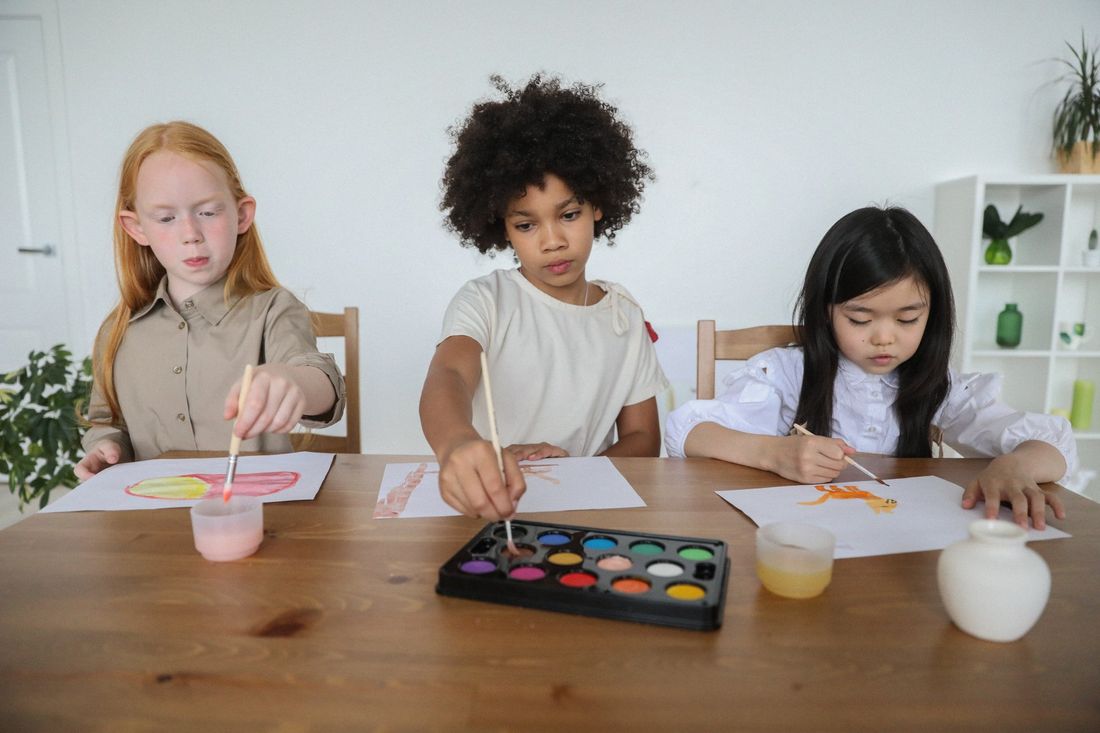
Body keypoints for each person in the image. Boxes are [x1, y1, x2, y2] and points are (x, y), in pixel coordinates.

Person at [665, 206, 1076, 529]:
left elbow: (1053, 446)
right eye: (860, 320)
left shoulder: (938, 387)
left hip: (903, 550)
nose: (884, 338)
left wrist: (1013, 466)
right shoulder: (786, 373)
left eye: (907, 319)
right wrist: (775, 454)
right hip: (804, 538)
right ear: (825, 312)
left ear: (933, 315)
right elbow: (689, 431)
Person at [420, 74, 668, 519]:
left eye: (568, 214)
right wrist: (459, 443)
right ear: (502, 228)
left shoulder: (624, 316)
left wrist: (575, 474)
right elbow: (449, 376)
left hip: (588, 512)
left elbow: (644, 437)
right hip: (493, 508)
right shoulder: (485, 299)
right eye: (527, 224)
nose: (552, 241)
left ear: (598, 206)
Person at [77, 121, 345, 479]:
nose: (191, 234)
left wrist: (294, 382)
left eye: (207, 212)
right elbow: (108, 422)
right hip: (151, 521)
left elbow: (320, 381)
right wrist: (107, 447)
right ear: (136, 227)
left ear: (242, 215)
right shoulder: (118, 330)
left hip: (260, 516)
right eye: (167, 218)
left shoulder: (274, 309)